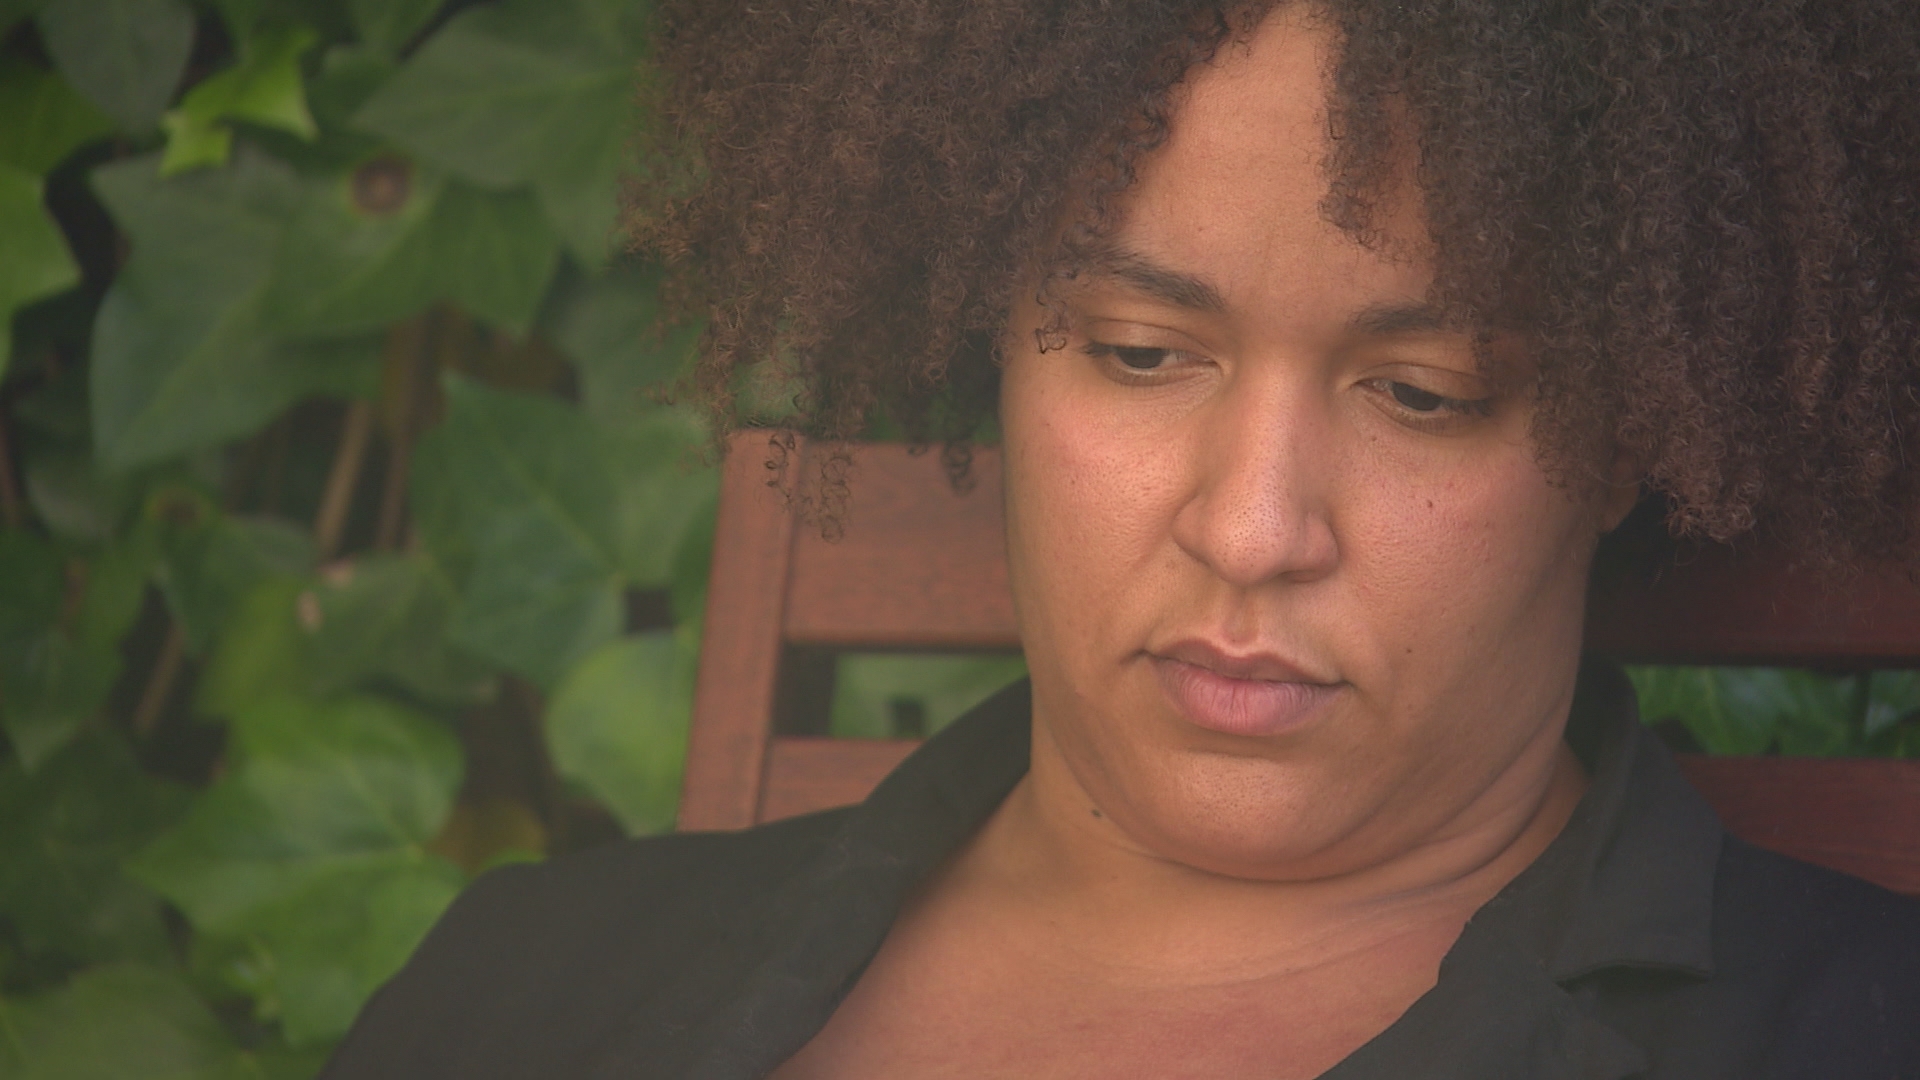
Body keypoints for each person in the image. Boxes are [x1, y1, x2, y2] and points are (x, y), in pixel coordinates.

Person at [323, 1, 1920, 1077]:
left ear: (1631, 433)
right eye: (1141, 353)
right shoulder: (526, 986)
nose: (1251, 527)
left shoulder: (1851, 1033)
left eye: (1424, 393)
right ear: (993, 342)